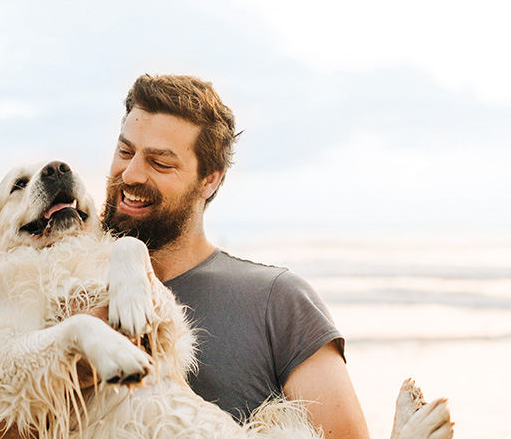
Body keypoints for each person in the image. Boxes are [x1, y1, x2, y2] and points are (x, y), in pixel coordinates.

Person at [100, 74, 370, 439]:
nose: (130, 174)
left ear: (209, 180)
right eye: (125, 152)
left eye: (160, 163)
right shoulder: (64, 289)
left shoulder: (277, 302)